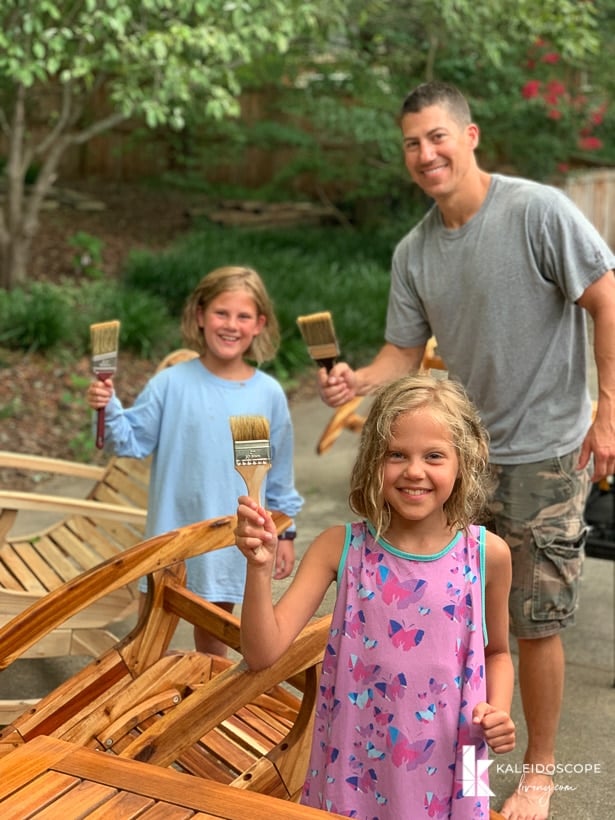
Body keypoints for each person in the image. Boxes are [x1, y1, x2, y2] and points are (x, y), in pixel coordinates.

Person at [318, 81, 615, 820]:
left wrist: (607, 411)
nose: (425, 154)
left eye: (436, 137)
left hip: (544, 451)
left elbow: (607, 298)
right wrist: (359, 379)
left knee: (532, 620)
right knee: (461, 626)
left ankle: (540, 770)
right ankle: (468, 784)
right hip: (455, 462)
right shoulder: (413, 251)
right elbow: (402, 352)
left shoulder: (535, 211)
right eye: (412, 144)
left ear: (470, 135)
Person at [236, 375, 515, 819]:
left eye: (435, 456)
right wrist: (259, 569)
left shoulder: (487, 555)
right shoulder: (339, 547)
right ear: (372, 460)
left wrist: (497, 711)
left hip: (458, 761)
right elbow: (261, 652)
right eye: (396, 454)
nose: (414, 470)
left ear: (465, 461)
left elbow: (497, 653)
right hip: (355, 766)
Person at [86, 265, 303, 655]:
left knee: (213, 642)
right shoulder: (171, 383)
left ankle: (205, 708)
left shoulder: (268, 393)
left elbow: (280, 472)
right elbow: (131, 442)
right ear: (200, 316)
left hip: (228, 539)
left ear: (259, 324)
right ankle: (143, 709)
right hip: (170, 536)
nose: (231, 325)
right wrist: (109, 407)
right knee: (149, 642)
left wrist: (285, 531)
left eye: (243, 316)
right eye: (221, 313)